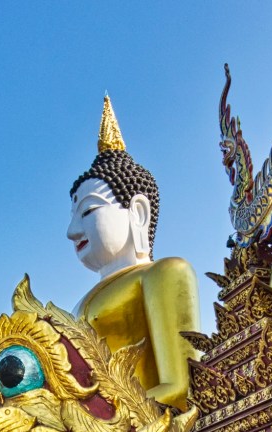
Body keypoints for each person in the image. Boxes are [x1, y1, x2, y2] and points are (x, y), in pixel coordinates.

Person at [67, 97, 200, 411]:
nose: (72, 231)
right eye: (72, 216)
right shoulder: (78, 305)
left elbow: (185, 387)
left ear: (137, 213)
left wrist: (102, 417)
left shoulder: (163, 274)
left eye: (87, 212)